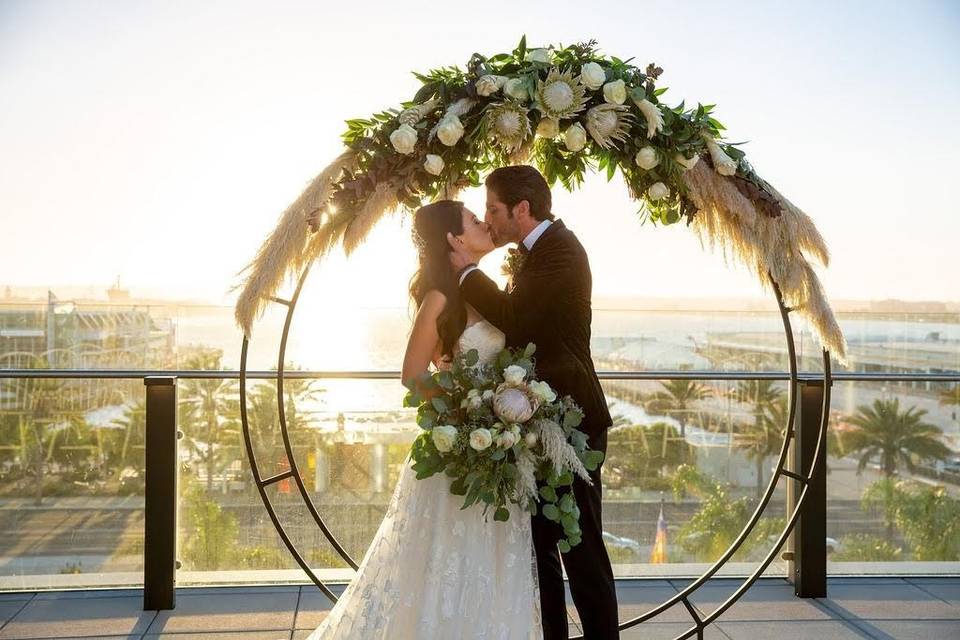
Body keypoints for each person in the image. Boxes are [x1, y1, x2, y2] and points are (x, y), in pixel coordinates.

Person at [306, 199, 543, 639]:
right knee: (446, 562)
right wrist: (466, 408)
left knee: (489, 560)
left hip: (499, 449)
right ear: (453, 239)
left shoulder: (490, 287)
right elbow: (413, 374)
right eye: (474, 220)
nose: (484, 223)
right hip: (459, 451)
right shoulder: (440, 297)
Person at [447, 165, 619, 639]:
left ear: (522, 209)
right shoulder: (536, 252)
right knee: (538, 548)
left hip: (574, 422)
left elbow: (515, 319)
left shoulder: (562, 251)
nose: (489, 219)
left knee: (580, 548)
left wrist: (464, 271)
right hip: (537, 420)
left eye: (494, 209)